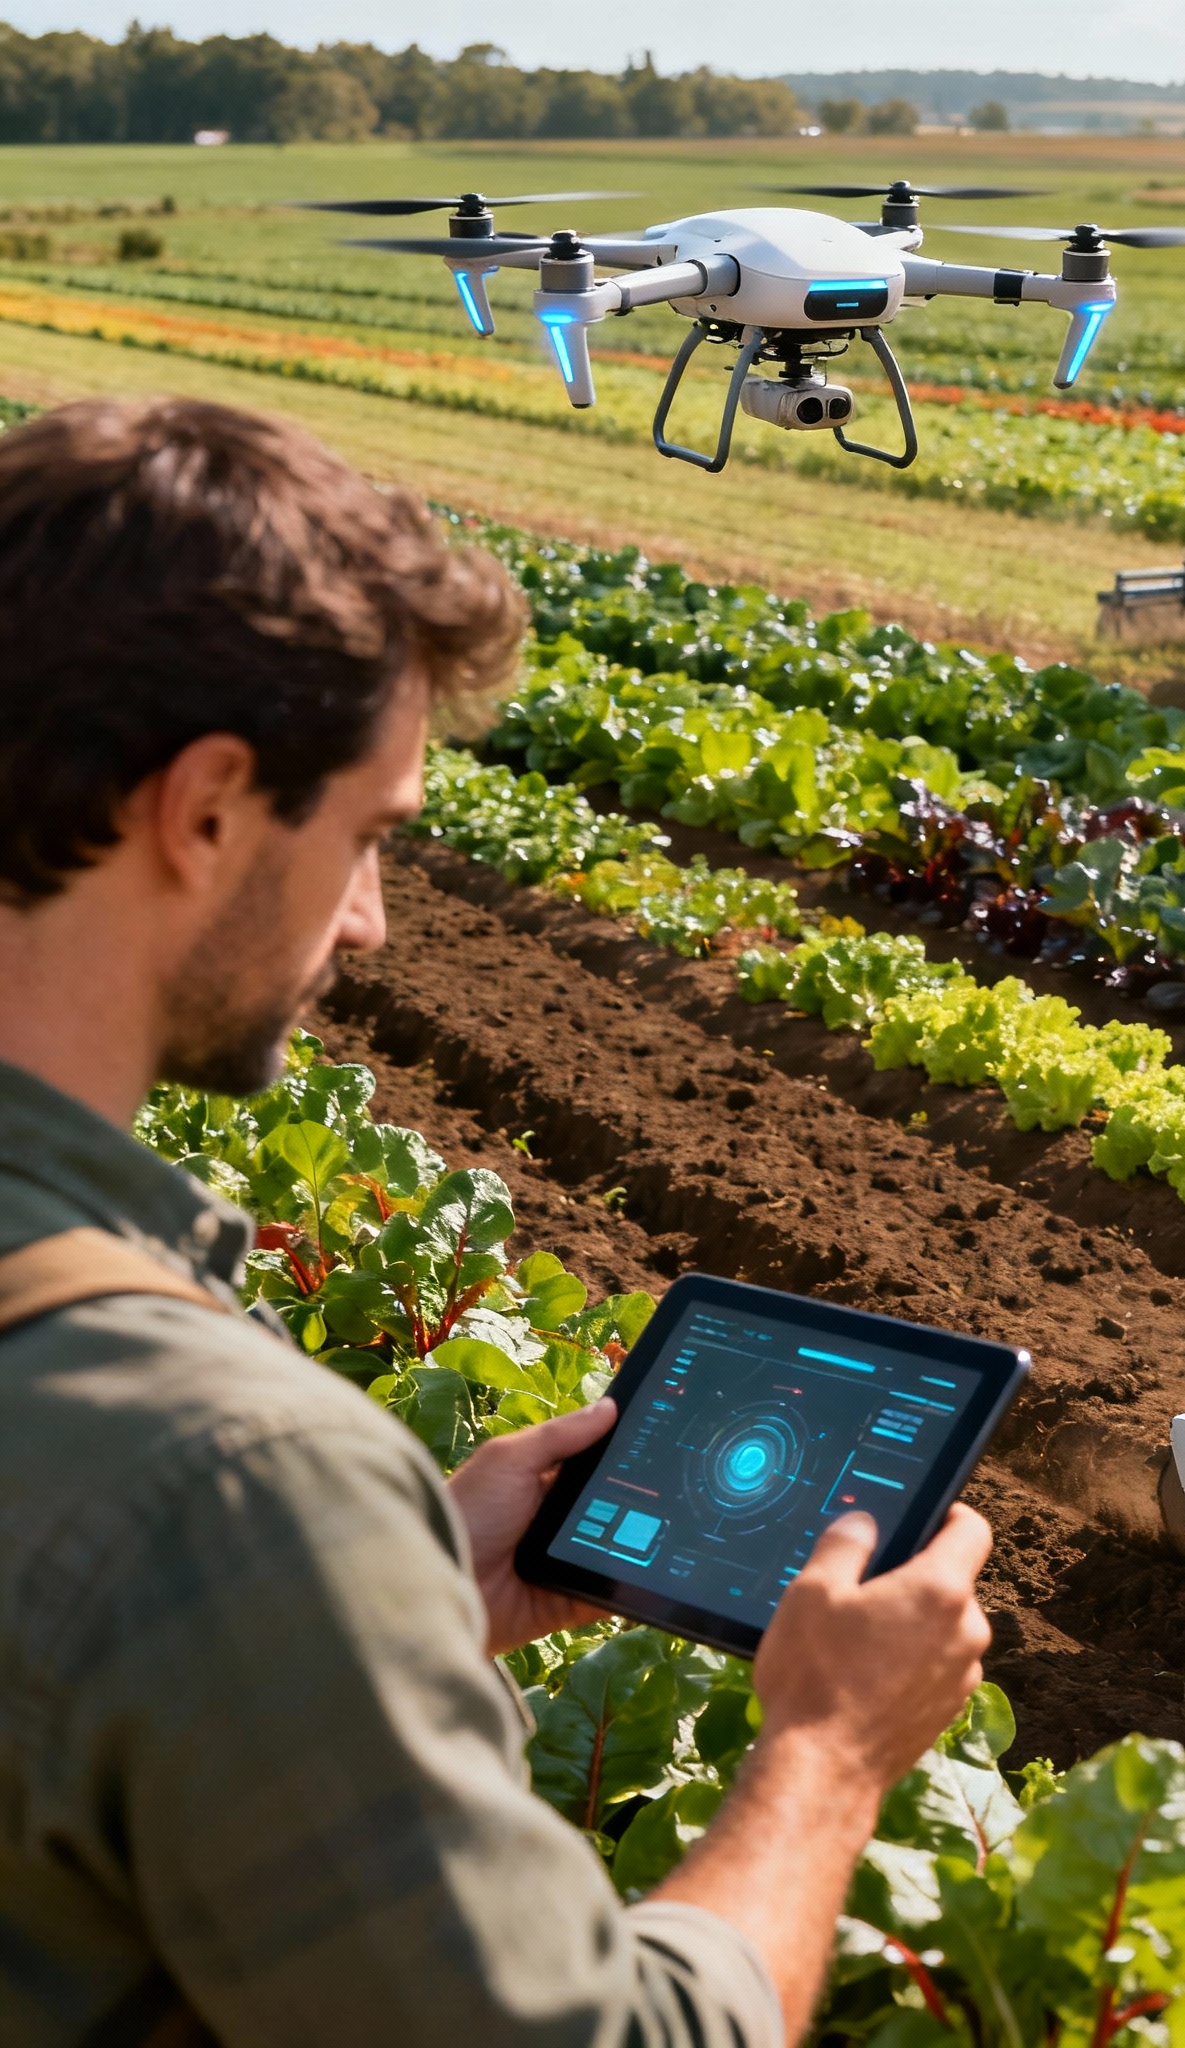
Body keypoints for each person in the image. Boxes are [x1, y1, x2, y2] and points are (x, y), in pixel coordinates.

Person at [0, 397, 995, 2047]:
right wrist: (824, 1755)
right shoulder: (229, 1484)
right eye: (370, 837)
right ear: (208, 810)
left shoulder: (218, 1516)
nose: (374, 925)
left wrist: (389, 1612)